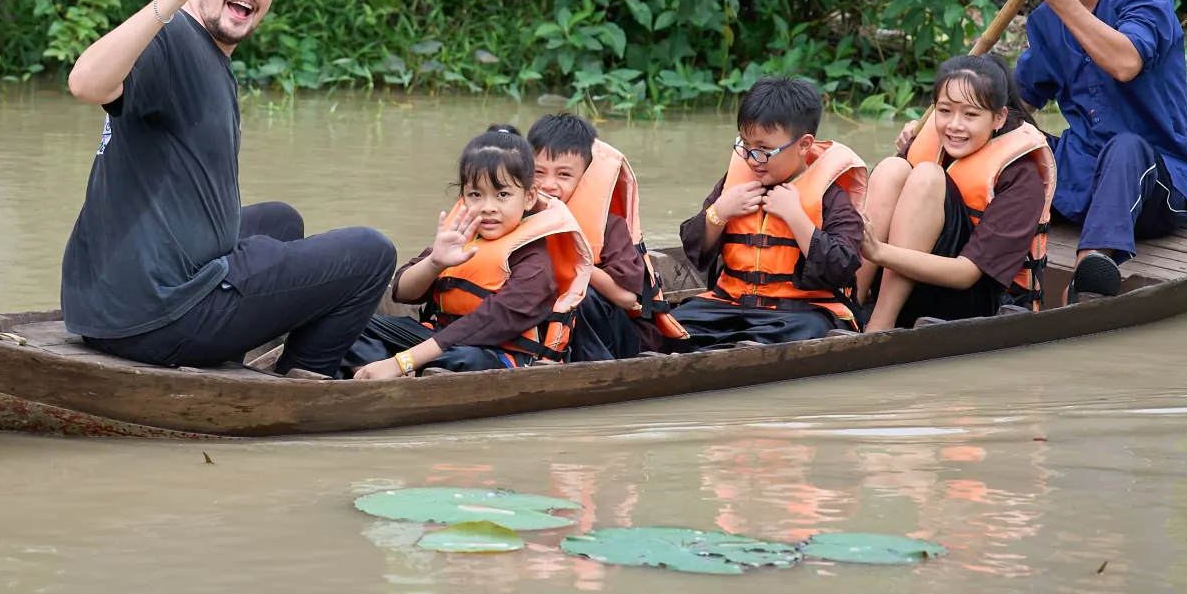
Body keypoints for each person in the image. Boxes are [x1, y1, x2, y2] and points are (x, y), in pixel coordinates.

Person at [62, 0, 396, 377]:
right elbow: (86, 84)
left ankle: (226, 349)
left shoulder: (207, 52)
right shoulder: (170, 38)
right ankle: (300, 392)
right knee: (371, 252)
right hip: (156, 316)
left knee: (280, 222)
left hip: (103, 305)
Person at [901, 0, 1187, 301]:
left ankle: (1090, 272)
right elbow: (1014, 103)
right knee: (986, 129)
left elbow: (1124, 63)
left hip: (1155, 180)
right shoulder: (1046, 19)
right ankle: (945, 242)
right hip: (1076, 173)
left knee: (1125, 147)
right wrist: (944, 125)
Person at [346, 125, 593, 378]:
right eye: (475, 194)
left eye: (503, 194)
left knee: (462, 360)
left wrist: (401, 362)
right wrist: (435, 262)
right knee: (346, 323)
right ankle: (368, 374)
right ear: (463, 196)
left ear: (529, 198)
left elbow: (486, 322)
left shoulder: (535, 262)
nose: (488, 207)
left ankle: (388, 372)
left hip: (494, 355)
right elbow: (401, 293)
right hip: (436, 341)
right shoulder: (463, 237)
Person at [858, 55, 1056, 328]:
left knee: (927, 177)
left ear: (999, 117)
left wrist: (878, 252)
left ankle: (879, 325)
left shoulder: (1020, 176)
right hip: (909, 283)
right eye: (945, 111)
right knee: (892, 168)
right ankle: (849, 308)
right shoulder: (929, 141)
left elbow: (966, 274)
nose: (954, 125)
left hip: (970, 300)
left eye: (971, 114)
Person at [672, 76, 867, 349]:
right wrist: (720, 212)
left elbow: (842, 267)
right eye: (745, 145)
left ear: (803, 144)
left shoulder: (831, 196)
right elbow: (695, 248)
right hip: (728, 306)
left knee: (809, 329)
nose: (752, 159)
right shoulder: (736, 183)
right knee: (669, 325)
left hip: (797, 313)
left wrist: (796, 217)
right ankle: (727, 348)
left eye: (763, 149)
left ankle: (731, 350)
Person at [528, 112, 689, 356]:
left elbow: (626, 298)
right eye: (539, 173)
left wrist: (578, 265)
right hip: (550, 328)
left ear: (584, 179)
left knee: (584, 296)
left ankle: (590, 371)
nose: (549, 185)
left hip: (613, 337)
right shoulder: (516, 218)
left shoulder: (607, 227)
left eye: (564, 175)